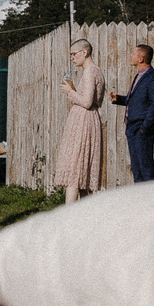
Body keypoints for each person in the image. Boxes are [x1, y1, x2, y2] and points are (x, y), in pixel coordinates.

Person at [57, 38, 104, 202]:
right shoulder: (95, 71)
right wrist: (74, 90)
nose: (72, 58)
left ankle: (69, 218)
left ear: (84, 52)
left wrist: (70, 91)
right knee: (82, 174)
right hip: (88, 120)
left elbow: (87, 102)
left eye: (73, 54)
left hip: (83, 122)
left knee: (75, 171)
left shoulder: (90, 71)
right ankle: (83, 218)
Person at [110, 42, 154, 184]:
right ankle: (140, 202)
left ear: (141, 59)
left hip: (141, 129)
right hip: (131, 128)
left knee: (146, 169)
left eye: (133, 53)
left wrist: (144, 128)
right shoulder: (139, 75)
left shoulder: (153, 77)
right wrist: (119, 99)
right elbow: (137, 101)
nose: (130, 56)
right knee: (137, 169)